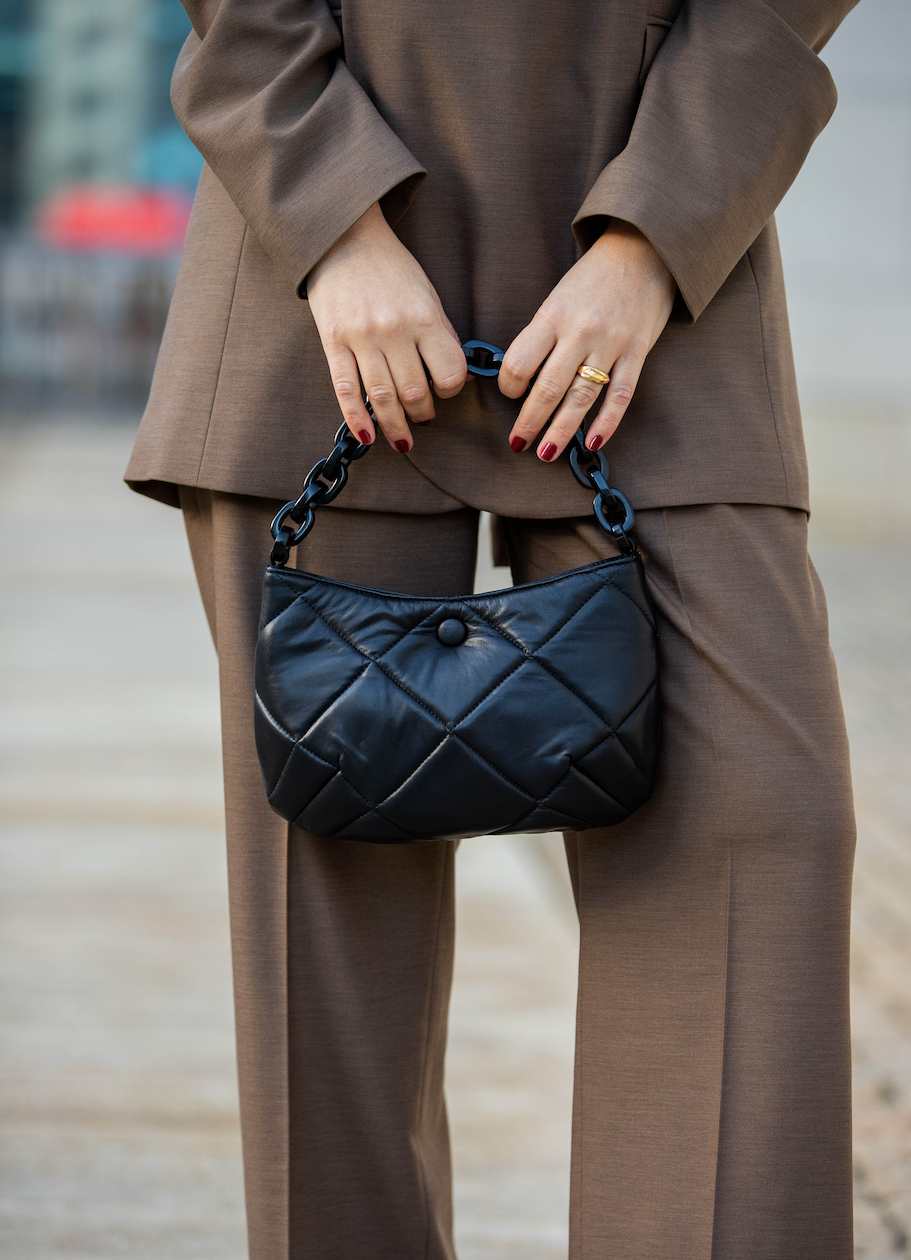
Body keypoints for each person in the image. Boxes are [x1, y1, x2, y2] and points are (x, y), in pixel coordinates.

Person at [124, 2, 861, 1256]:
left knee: (758, 827)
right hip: (325, 293)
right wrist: (330, 218)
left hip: (656, 279)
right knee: (331, 925)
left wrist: (652, 234)